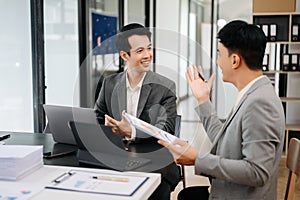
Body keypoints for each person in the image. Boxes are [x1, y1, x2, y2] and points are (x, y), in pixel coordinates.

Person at [159, 20, 285, 199]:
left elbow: (257, 172)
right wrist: (203, 100)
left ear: (234, 60)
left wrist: (197, 159)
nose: (217, 62)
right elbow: (225, 141)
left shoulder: (259, 103)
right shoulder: (252, 93)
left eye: (219, 54)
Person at [94, 23, 180, 200]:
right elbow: (96, 117)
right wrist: (106, 127)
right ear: (124, 55)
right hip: (115, 158)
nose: (148, 55)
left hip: (154, 161)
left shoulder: (165, 87)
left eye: (149, 48)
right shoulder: (109, 83)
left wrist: (131, 131)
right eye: (140, 51)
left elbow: (166, 131)